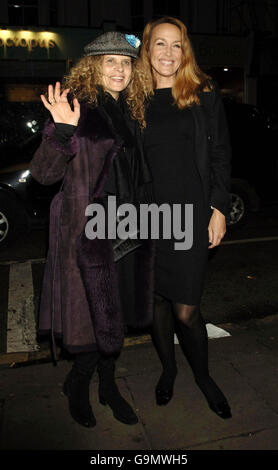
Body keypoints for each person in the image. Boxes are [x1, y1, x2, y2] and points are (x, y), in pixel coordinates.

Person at [30, 31, 154, 428]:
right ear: (93, 67)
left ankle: (108, 385)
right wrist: (63, 131)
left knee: (113, 312)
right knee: (87, 316)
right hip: (85, 230)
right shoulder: (76, 107)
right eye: (110, 61)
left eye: (126, 62)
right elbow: (44, 173)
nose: (119, 69)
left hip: (127, 228)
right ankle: (79, 384)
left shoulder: (134, 112)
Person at [138, 17, 232, 419]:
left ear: (186, 51)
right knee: (157, 301)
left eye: (177, 45)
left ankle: (204, 377)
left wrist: (219, 207)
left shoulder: (202, 92)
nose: (168, 53)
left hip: (191, 215)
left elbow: (220, 154)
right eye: (161, 44)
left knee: (186, 309)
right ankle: (169, 370)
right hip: (145, 216)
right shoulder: (133, 96)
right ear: (147, 48)